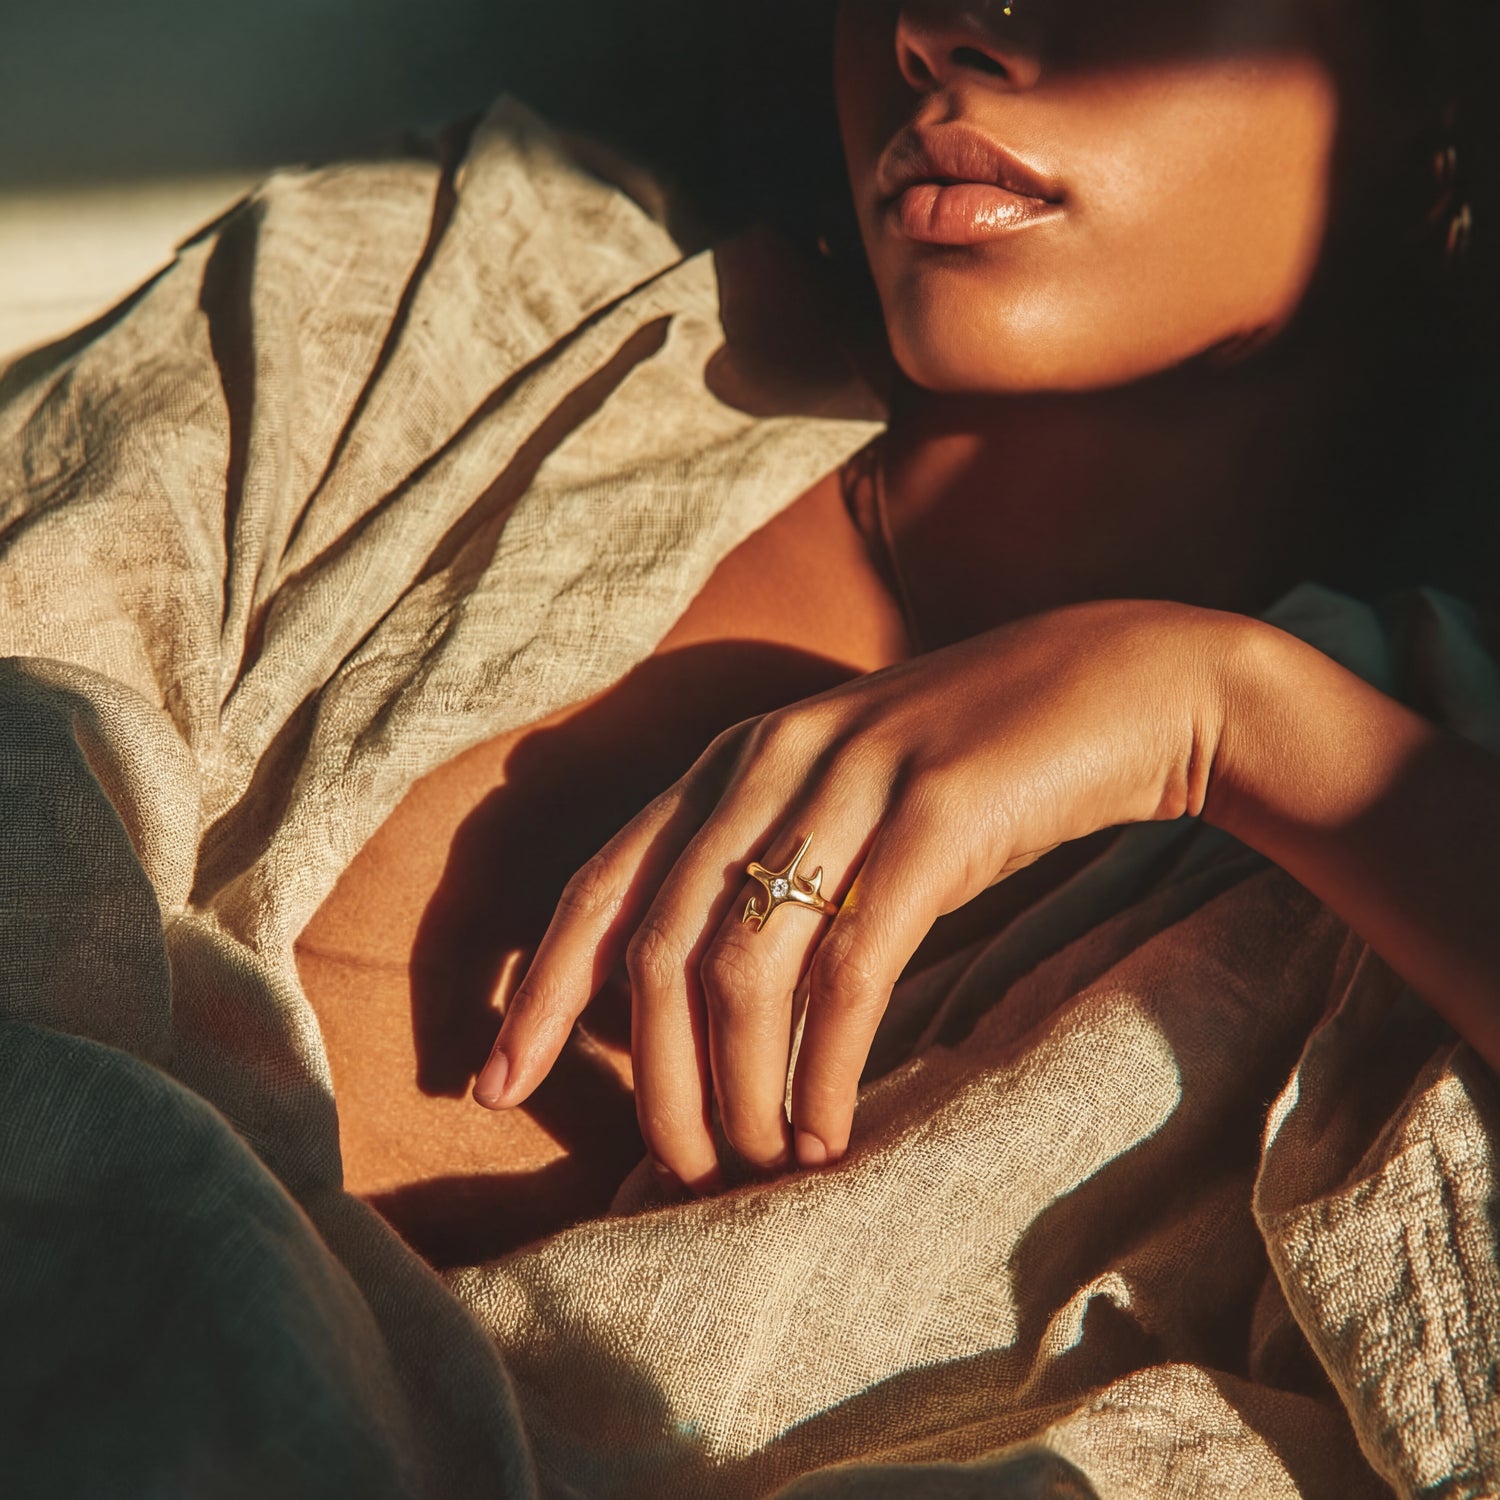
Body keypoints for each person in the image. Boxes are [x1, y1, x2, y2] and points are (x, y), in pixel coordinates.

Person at [300, 0, 1500, 1255]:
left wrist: (1220, 714)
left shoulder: (1407, 824)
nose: (939, 32)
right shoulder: (463, 308)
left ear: (1441, 80)